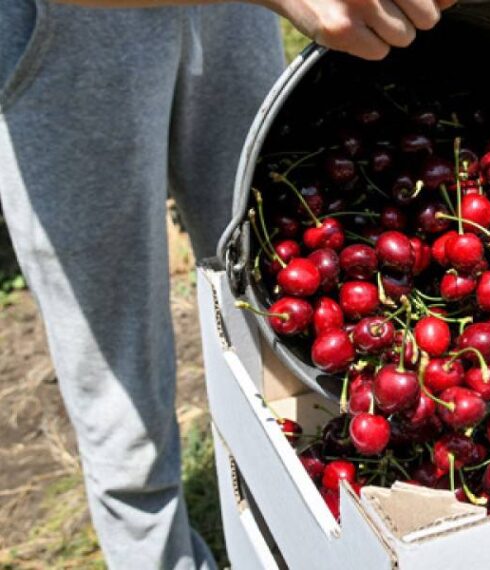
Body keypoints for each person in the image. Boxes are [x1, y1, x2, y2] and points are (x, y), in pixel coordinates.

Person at [0, 0, 454, 568]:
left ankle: (293, 542)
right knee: (121, 397)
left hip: (229, 15)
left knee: (282, 307)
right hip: (70, 30)